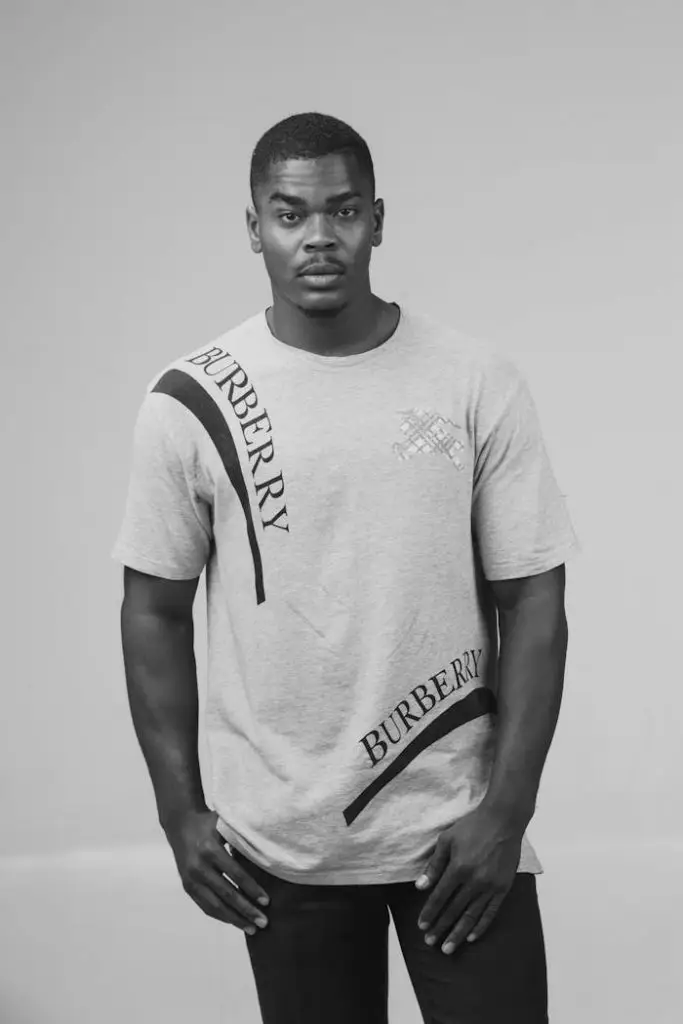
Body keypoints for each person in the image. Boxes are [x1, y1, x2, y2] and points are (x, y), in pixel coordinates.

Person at [112, 111, 580, 1024]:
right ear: (253, 227)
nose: (318, 237)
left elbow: (534, 601)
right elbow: (152, 612)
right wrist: (180, 812)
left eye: (343, 211)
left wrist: (506, 813)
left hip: (459, 837)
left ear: (377, 218)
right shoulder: (189, 400)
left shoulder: (473, 380)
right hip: (284, 846)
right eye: (289, 214)